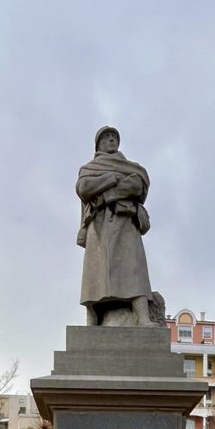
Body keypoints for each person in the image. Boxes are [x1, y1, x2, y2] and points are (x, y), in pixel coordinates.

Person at [76, 126, 153, 326]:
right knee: (94, 275)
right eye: (106, 137)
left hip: (125, 222)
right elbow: (84, 188)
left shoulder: (132, 167)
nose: (111, 140)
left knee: (134, 270)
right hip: (98, 226)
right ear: (98, 144)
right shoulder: (88, 169)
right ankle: (92, 317)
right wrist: (112, 178)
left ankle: (143, 317)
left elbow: (137, 185)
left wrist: (107, 195)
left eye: (114, 137)